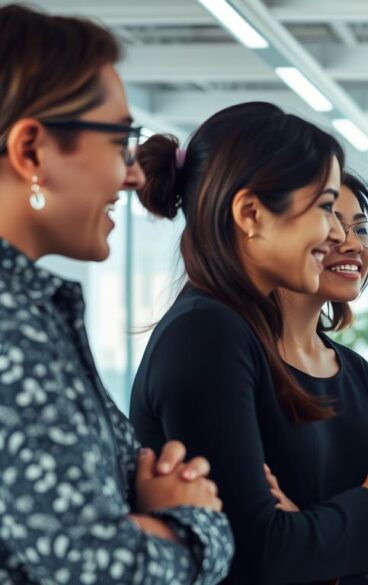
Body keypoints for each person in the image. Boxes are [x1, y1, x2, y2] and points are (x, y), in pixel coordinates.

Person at [130, 102, 368, 584]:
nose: (338, 234)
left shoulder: (228, 330)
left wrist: (312, 526)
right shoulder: (208, 334)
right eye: (325, 208)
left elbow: (354, 542)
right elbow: (256, 552)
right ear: (251, 214)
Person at [0, 4, 232, 584]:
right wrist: (195, 522)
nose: (133, 174)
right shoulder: (10, 328)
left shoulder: (31, 311)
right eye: (120, 142)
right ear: (31, 151)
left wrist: (142, 504)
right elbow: (97, 570)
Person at [270, 172, 368, 585]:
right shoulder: (244, 362)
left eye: (362, 228)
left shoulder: (355, 372)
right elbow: (264, 532)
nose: (354, 243)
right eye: (331, 222)